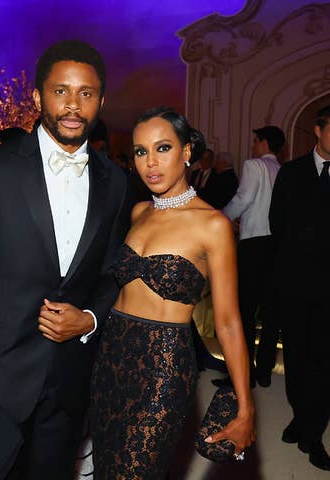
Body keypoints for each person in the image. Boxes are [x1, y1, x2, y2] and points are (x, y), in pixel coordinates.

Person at [0, 40, 129, 480]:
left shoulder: (117, 182)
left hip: (70, 377)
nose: (73, 105)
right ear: (38, 97)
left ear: (101, 100)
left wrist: (89, 318)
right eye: (61, 91)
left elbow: (113, 272)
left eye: (86, 94)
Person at [90, 106, 255, 479]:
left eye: (162, 148)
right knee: (105, 465)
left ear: (187, 151)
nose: (151, 162)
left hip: (163, 365)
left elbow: (228, 322)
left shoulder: (213, 225)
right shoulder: (138, 212)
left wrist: (246, 408)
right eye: (140, 151)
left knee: (136, 471)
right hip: (111, 354)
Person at [270, 105, 330, 471]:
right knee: (295, 357)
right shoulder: (290, 173)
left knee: (323, 363)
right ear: (318, 130)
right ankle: (299, 415)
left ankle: (312, 433)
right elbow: (279, 224)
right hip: (294, 284)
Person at [213, 126, 284, 389]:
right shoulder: (283, 170)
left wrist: (220, 218)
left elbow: (243, 199)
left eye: (256, 141)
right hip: (276, 247)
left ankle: (241, 376)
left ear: (264, 143)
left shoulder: (254, 165)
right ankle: (264, 371)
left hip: (253, 245)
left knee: (243, 312)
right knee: (270, 312)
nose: (253, 146)